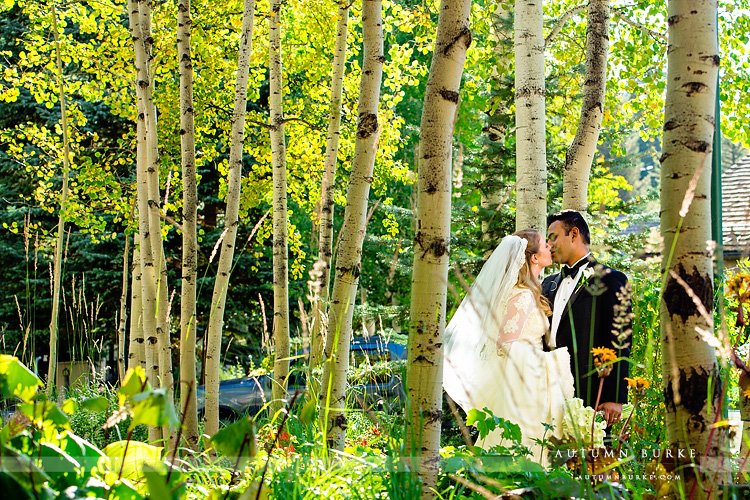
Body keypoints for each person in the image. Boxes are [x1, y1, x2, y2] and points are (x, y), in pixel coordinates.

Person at [443, 230, 574, 464]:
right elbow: (504, 344)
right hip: (524, 386)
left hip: (524, 382)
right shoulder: (522, 296)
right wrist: (547, 362)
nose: (550, 248)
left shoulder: (523, 291)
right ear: (534, 258)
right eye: (545, 245)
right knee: (526, 445)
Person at [542, 210, 631, 427]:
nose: (549, 245)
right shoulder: (547, 284)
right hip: (546, 390)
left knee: (592, 459)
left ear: (574, 234)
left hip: (590, 390)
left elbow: (619, 340)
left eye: (553, 237)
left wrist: (614, 397)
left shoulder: (610, 279)